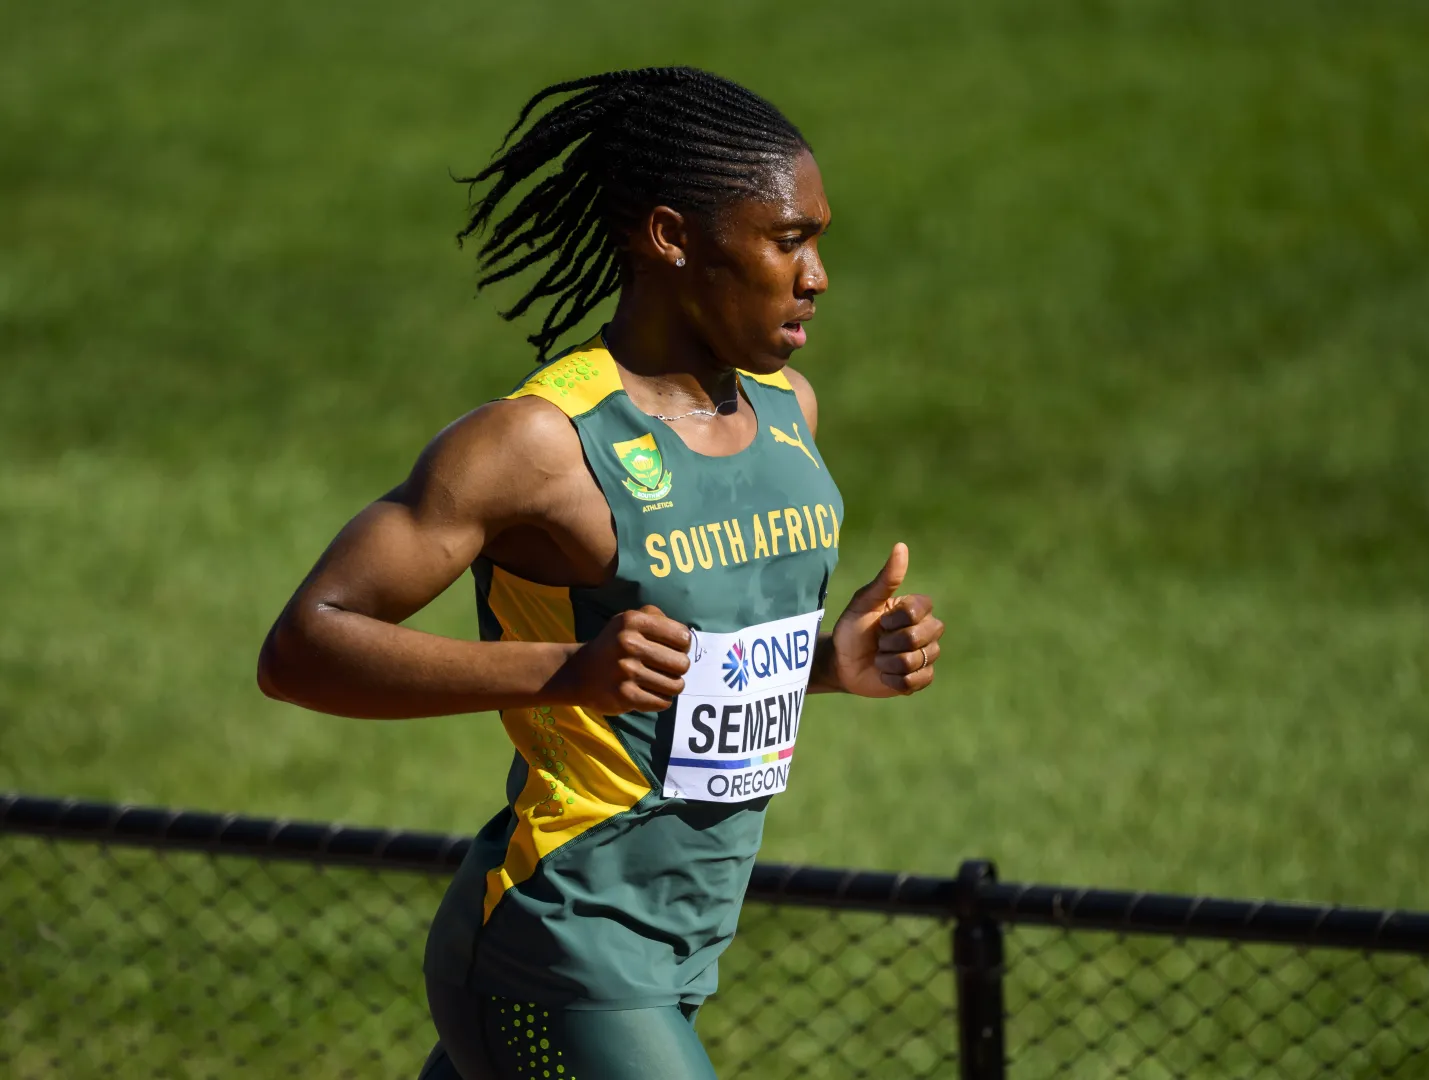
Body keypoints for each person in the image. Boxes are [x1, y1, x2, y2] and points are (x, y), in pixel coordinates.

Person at [257, 66, 945, 1080]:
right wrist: (564, 670)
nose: (817, 276)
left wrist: (826, 666)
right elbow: (304, 645)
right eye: (787, 240)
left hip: (681, 942)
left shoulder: (789, 410)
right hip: (563, 941)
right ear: (672, 238)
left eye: (819, 242)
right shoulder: (537, 445)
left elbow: (684, 673)